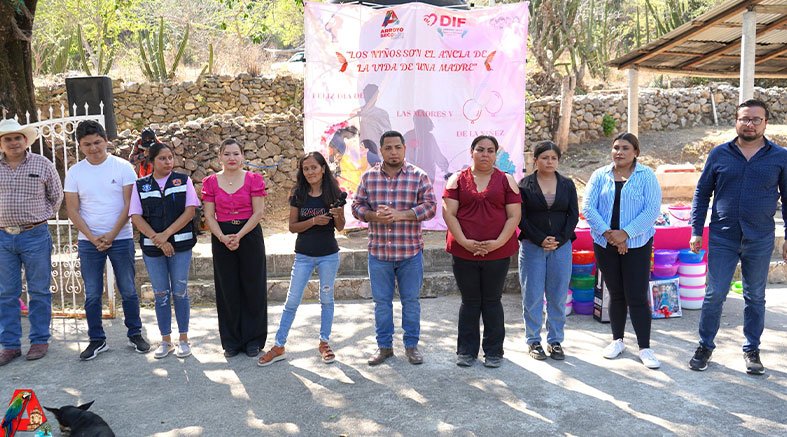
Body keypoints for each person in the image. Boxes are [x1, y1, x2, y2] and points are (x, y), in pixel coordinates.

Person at [688, 99, 787, 375]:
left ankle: (752, 350)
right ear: (736, 121)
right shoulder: (719, 154)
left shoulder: (780, 156)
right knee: (714, 294)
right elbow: (702, 193)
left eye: (756, 119)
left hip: (760, 237)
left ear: (766, 123)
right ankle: (705, 346)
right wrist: (696, 230)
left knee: (755, 296)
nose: (750, 124)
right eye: (745, 118)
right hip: (723, 236)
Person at [65, 120, 150, 360]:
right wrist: (92, 238)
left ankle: (135, 333)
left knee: (128, 290)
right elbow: (72, 210)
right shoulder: (75, 172)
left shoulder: (122, 167)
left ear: (106, 141)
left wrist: (111, 235)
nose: (93, 148)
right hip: (88, 241)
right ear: (80, 146)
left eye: (97, 142)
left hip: (120, 237)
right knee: (92, 293)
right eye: (87, 144)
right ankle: (97, 339)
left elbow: (129, 205)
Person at [352, 130, 436, 366]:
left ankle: (411, 346)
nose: (393, 152)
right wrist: (371, 216)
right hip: (379, 253)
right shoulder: (369, 177)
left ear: (404, 148)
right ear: (381, 150)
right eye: (388, 148)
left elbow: (430, 208)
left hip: (410, 252)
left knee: (411, 302)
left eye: (397, 147)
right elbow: (356, 206)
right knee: (381, 303)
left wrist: (401, 215)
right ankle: (384, 347)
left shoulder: (418, 176)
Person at [582, 132, 662, 369]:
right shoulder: (600, 175)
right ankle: (617, 340)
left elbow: (651, 210)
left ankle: (645, 347)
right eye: (616, 147)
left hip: (637, 244)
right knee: (615, 293)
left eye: (625, 148)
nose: (619, 152)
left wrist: (625, 234)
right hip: (605, 242)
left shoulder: (646, 176)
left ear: (636, 152)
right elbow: (588, 206)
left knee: (636, 295)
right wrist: (611, 235)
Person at [258, 152, 346, 367]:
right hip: (304, 255)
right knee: (292, 301)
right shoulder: (298, 193)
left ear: (323, 168)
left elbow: (341, 227)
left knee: (327, 300)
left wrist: (337, 214)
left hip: (329, 255)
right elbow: (292, 227)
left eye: (314, 167)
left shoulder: (334, 192)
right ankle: (279, 345)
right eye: (306, 168)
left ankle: (324, 343)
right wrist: (314, 220)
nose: (310, 172)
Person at [443, 135, 521, 368]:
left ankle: (494, 352)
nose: (485, 154)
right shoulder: (456, 180)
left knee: (492, 301)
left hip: (497, 252)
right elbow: (449, 214)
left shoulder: (507, 180)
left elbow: (514, 216)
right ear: (471, 152)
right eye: (480, 149)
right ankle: (466, 351)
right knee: (470, 301)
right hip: (463, 250)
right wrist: (465, 241)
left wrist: (497, 243)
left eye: (490, 150)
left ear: (496, 154)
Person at [0, 119, 62, 366]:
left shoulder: (42, 164)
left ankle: (39, 340)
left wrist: (39, 217)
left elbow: (56, 197)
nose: (14, 143)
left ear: (26, 141)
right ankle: (11, 345)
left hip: (34, 235)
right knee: (6, 293)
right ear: (1, 144)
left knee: (38, 290)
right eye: (8, 139)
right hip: (2, 237)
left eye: (18, 138)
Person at [129, 142, 199, 359]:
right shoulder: (141, 186)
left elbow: (189, 212)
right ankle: (166, 340)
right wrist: (158, 240)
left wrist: (166, 235)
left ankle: (184, 339)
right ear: (151, 162)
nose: (168, 162)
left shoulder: (183, 181)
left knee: (180, 291)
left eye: (170, 157)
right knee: (160, 294)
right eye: (162, 158)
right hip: (153, 248)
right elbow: (136, 217)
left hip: (181, 245)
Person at [202, 138, 268, 358]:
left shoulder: (254, 179)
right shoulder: (210, 182)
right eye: (227, 154)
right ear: (219, 157)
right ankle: (231, 342)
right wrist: (222, 237)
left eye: (236, 153)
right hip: (221, 237)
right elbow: (209, 216)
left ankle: (253, 340)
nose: (232, 158)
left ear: (243, 156)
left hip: (248, 235)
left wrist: (238, 235)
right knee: (227, 288)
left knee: (253, 286)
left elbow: (258, 213)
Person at [518, 141, 578, 361]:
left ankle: (555, 341)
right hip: (532, 247)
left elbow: (573, 215)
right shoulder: (524, 185)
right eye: (544, 157)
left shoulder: (567, 185)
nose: (549, 161)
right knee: (532, 295)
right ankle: (533, 340)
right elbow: (520, 218)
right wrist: (540, 239)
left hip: (561, 248)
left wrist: (559, 240)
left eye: (553, 158)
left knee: (557, 295)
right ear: (535, 160)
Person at [404, 111, 449, 183]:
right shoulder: (408, 136)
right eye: (417, 120)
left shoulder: (429, 137)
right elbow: (437, 156)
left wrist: (445, 167)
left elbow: (437, 155)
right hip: (414, 174)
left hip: (425, 174)